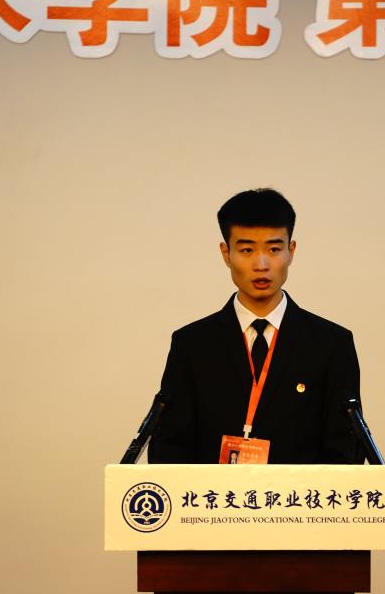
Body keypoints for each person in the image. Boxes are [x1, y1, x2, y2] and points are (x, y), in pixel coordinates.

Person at [148, 188, 363, 464]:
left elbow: (346, 452)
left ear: (291, 251)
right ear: (226, 253)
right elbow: (169, 449)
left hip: (301, 494)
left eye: (274, 249)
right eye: (247, 250)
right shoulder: (192, 345)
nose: (261, 264)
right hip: (213, 493)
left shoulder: (331, 345)